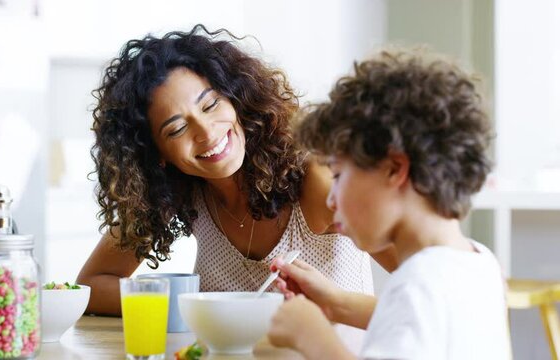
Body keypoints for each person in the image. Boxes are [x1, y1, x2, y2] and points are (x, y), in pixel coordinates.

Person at [76, 24, 396, 349]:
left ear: (235, 98)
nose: (206, 132)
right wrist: (188, 303)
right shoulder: (185, 192)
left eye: (210, 105)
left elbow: (431, 297)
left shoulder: (316, 179)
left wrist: (336, 305)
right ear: (157, 155)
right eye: (176, 129)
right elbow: (91, 285)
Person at [267, 48, 511, 359]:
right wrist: (332, 303)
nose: (330, 197)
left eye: (338, 175)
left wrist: (312, 336)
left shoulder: (417, 284)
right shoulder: (480, 262)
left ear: (395, 169)